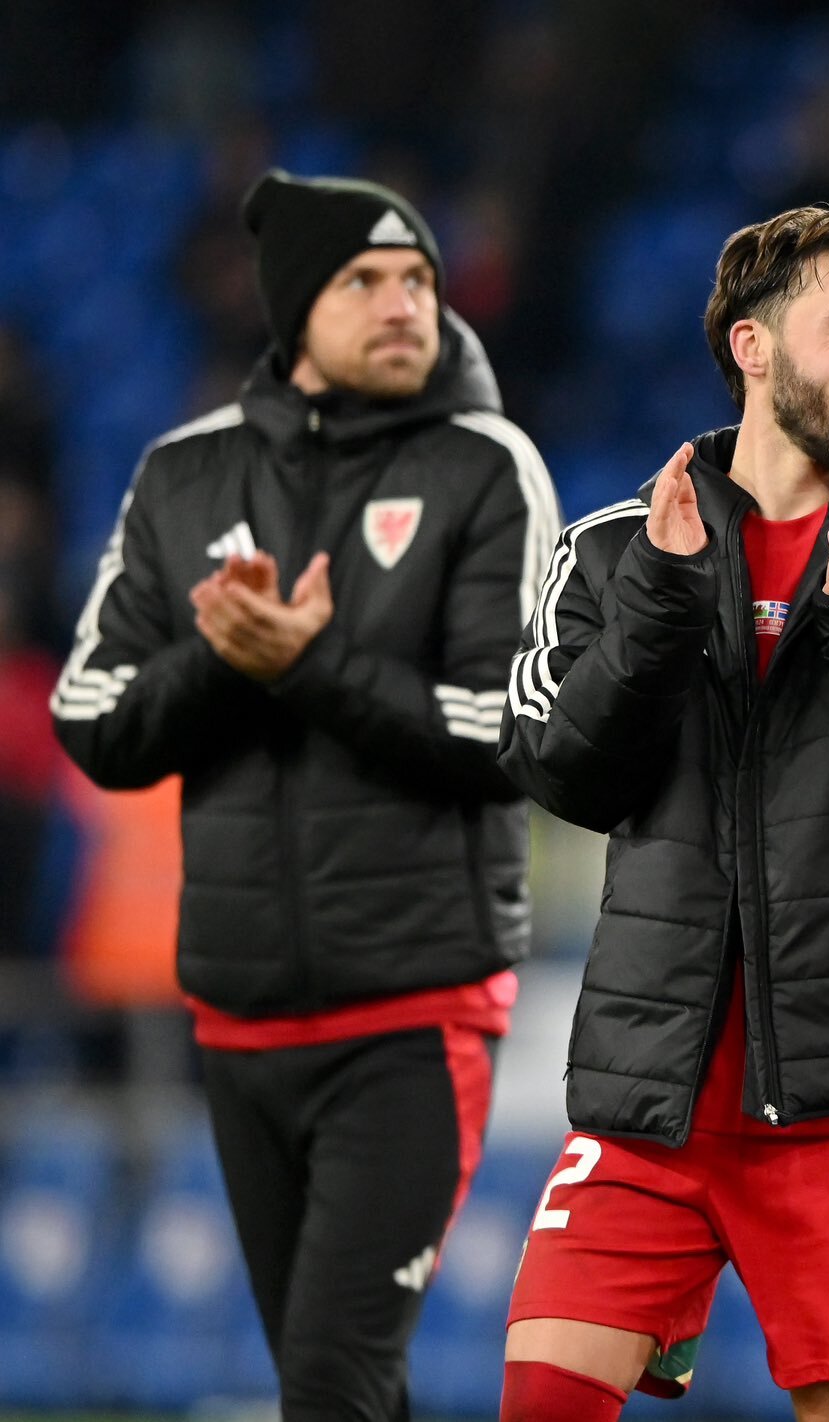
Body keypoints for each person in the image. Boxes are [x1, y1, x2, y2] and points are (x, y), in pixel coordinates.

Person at [51, 169, 561, 1419]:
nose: (404, 305)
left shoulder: (487, 468)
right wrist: (228, 662)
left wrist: (313, 666)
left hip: (415, 1011)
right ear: (294, 310)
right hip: (237, 1016)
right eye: (364, 282)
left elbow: (517, 730)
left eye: (419, 282)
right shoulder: (183, 477)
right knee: (324, 1383)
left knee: (334, 1378)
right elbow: (94, 722)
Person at [494, 206, 829, 1422]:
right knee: (539, 1400)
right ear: (754, 346)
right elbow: (563, 772)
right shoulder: (622, 547)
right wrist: (664, 610)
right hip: (652, 1096)